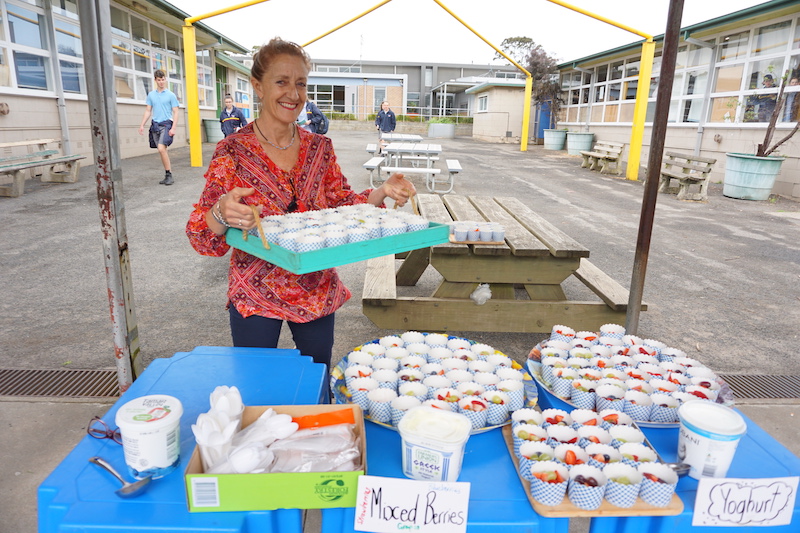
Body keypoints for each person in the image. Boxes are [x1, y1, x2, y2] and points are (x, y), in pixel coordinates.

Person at [186, 37, 414, 384]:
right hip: (255, 291)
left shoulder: (320, 148)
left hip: (315, 286)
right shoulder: (232, 151)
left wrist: (383, 191)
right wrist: (221, 211)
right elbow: (202, 237)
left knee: (315, 382)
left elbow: (343, 205)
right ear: (258, 86)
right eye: (281, 82)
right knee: (256, 386)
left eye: (301, 83)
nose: (293, 93)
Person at [138, 69, 179, 185]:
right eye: (159, 80)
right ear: (155, 80)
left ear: (165, 80)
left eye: (163, 79)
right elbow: (148, 111)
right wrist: (142, 125)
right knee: (162, 150)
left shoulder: (171, 95)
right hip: (155, 125)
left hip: (167, 124)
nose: (161, 82)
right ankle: (168, 174)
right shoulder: (151, 95)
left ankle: (169, 175)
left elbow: (176, 112)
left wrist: (173, 128)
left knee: (161, 148)